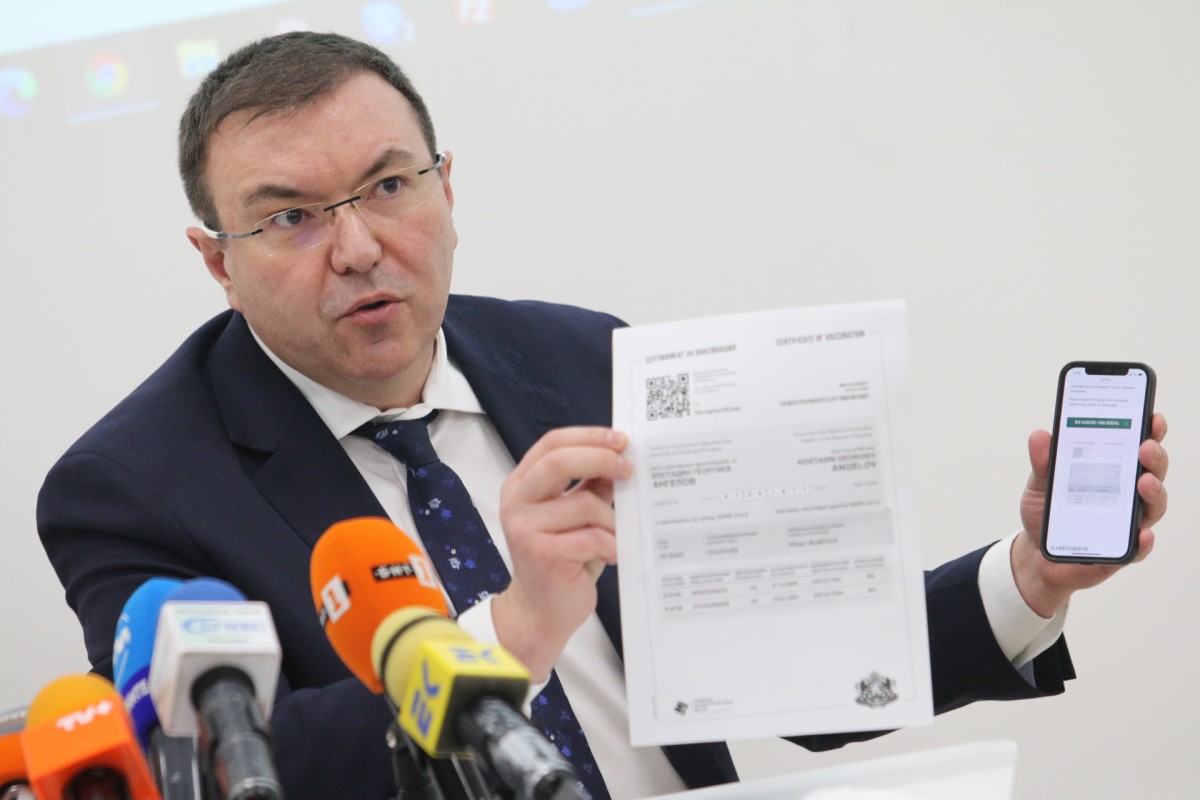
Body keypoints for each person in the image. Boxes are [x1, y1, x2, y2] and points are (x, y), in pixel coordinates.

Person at [37, 31, 1168, 800]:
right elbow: (219, 768)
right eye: (290, 216)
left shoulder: (583, 359)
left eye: (388, 186)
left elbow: (800, 665)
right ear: (218, 263)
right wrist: (511, 630)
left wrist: (1032, 575)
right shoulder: (131, 487)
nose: (360, 246)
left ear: (447, 187)